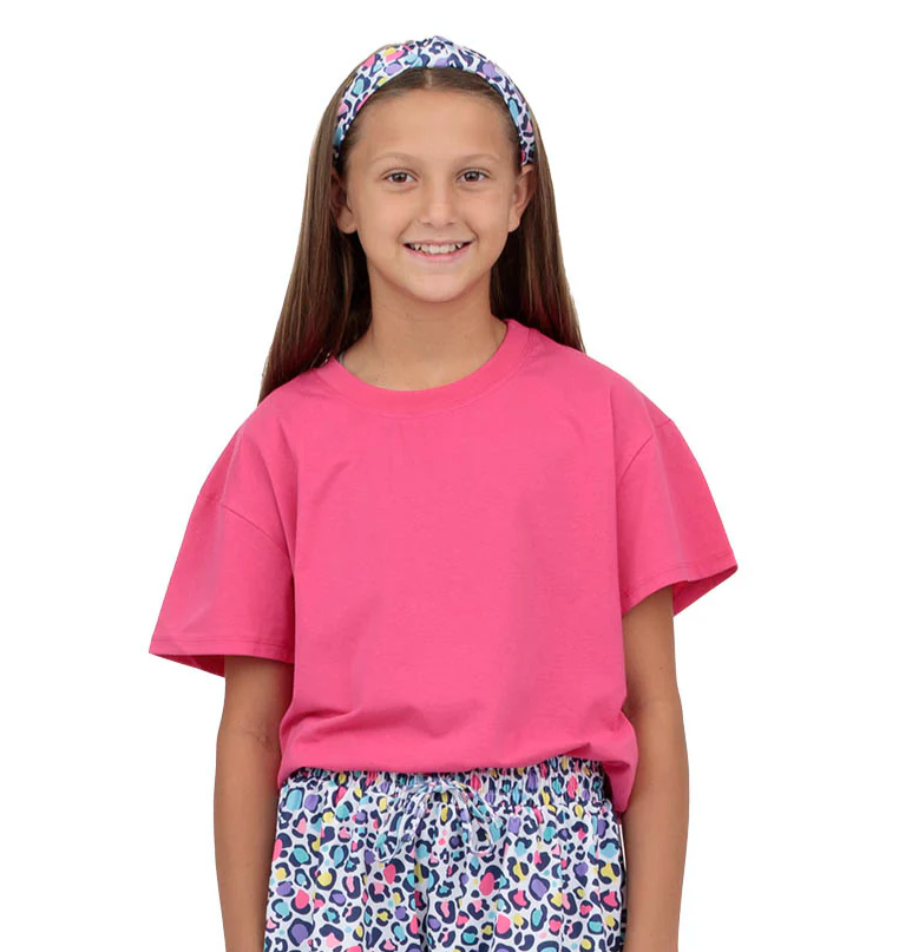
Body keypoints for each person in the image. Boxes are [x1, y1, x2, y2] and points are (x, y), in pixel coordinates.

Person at [148, 34, 738, 952]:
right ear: (341, 201)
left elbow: (653, 707)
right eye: (399, 177)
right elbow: (251, 733)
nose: (438, 209)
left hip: (547, 864)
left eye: (471, 175)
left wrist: (655, 940)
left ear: (520, 196)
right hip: (337, 868)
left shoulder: (607, 421)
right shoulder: (280, 442)